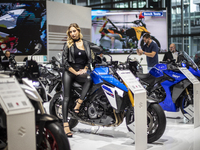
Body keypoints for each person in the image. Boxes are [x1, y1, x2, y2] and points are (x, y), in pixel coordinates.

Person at [62, 23, 93, 137]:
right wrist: (75, 72)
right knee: (66, 97)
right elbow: (64, 62)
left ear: (79, 31)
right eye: (70, 32)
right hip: (69, 72)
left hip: (81, 72)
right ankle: (66, 125)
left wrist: (85, 69)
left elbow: (89, 60)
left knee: (90, 78)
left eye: (74, 31)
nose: (72, 34)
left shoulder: (85, 43)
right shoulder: (68, 44)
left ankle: (78, 104)